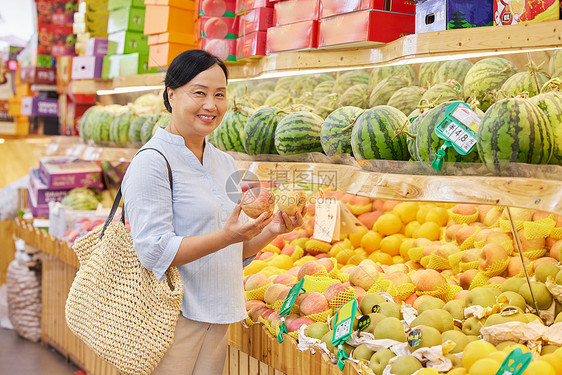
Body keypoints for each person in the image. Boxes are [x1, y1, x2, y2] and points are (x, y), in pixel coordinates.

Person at [121, 49, 304, 375]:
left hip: (219, 314)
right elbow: (154, 250)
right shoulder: (152, 161)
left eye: (219, 94)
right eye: (199, 93)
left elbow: (233, 250)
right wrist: (225, 236)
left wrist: (272, 230)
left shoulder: (226, 162)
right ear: (172, 95)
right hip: (172, 318)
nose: (211, 105)